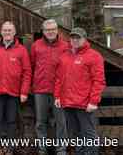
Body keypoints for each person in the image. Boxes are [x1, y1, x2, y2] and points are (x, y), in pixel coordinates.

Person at [0, 21, 32, 154]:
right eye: (5, 30)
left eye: (10, 30)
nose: (7, 32)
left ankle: (10, 147)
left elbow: (27, 72)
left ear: (14, 32)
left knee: (11, 120)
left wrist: (24, 92)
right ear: (1, 32)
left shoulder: (21, 50)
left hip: (14, 92)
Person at [55, 27, 106, 155]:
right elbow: (59, 78)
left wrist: (93, 101)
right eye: (73, 37)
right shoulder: (64, 56)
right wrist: (57, 96)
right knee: (76, 134)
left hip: (84, 103)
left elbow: (99, 81)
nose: (75, 40)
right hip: (67, 103)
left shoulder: (94, 56)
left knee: (89, 134)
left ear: (85, 39)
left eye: (78, 38)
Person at [30, 19, 68, 155]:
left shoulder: (65, 46)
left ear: (57, 30)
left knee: (61, 121)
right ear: (43, 31)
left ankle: (61, 149)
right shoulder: (36, 46)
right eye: (47, 30)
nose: (50, 32)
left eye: (53, 29)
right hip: (40, 89)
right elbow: (32, 65)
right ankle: (42, 149)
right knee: (41, 121)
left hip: (59, 91)